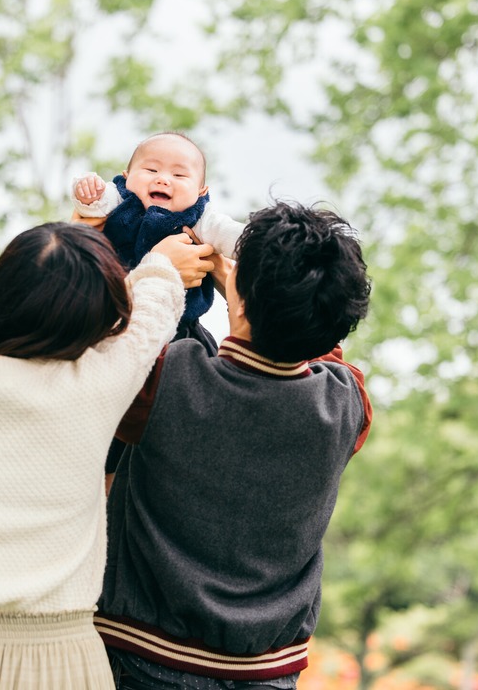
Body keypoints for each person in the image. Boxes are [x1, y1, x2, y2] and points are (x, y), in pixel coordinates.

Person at [0, 221, 214, 690]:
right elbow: (149, 319)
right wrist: (159, 265)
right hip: (56, 663)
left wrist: (50, 252)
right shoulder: (91, 386)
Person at [95, 202, 374, 689]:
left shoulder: (169, 378)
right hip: (266, 670)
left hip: (141, 656)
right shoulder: (345, 404)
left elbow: (112, 353)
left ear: (239, 299)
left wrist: (155, 273)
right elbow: (321, 338)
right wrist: (247, 291)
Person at [72, 131, 245, 350]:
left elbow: (229, 234)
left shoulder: (199, 217)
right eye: (151, 170)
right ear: (127, 177)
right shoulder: (120, 200)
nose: (162, 179)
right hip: (114, 316)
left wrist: (261, 244)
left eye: (179, 175)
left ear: (201, 192)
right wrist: (87, 191)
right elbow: (93, 203)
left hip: (180, 329)